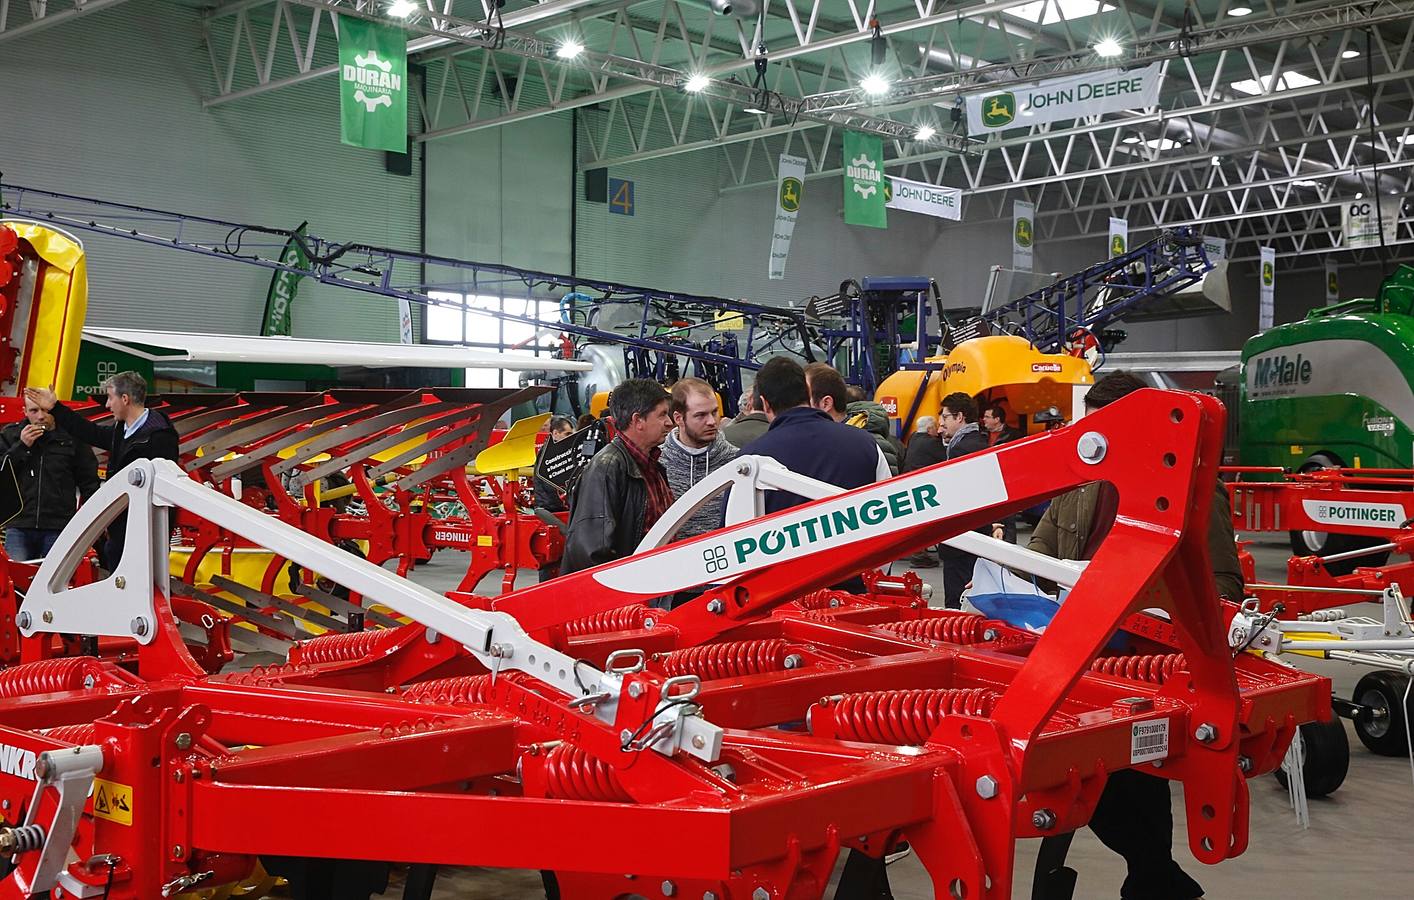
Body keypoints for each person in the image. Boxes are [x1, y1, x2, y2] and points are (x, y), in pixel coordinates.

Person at [1029, 370, 1238, 900]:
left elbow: (1223, 584)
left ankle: (1154, 877)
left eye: (1107, 428)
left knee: (1136, 778)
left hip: (1143, 669)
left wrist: (1149, 609)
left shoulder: (1191, 491)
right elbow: (1040, 551)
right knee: (1091, 778)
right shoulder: (1082, 485)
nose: (1094, 440)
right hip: (1073, 655)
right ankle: (1154, 876)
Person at [26, 372, 179, 569]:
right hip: (120, 531)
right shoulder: (121, 430)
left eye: (110, 397)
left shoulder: (160, 437)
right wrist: (55, 408)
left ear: (125, 399)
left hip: (145, 534)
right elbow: (90, 432)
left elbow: (164, 491)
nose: (107, 405)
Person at [737, 358, 883, 515]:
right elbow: (888, 507)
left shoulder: (749, 459)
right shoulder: (866, 443)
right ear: (807, 391)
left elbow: (734, 529)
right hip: (862, 538)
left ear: (765, 404)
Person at [560, 379, 674, 574]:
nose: (669, 422)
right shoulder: (606, 469)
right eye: (662, 414)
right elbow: (592, 552)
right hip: (628, 593)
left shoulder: (651, 465)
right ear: (638, 420)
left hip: (649, 585)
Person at [0, 397, 100, 560]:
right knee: (18, 581)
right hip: (19, 525)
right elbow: (2, 472)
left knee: (57, 584)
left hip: (59, 527)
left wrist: (91, 523)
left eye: (45, 410)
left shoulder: (72, 438)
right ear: (25, 412)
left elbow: (89, 483)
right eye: (34, 411)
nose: (40, 416)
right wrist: (22, 447)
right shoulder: (10, 435)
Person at [935, 392, 1002, 608]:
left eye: (945, 417)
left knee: (957, 603)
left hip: (962, 540)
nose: (941, 424)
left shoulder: (962, 448)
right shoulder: (976, 442)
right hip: (974, 537)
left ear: (959, 417)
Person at [659, 378, 737, 541]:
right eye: (700, 415)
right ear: (678, 418)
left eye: (714, 412)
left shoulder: (737, 462)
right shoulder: (656, 464)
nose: (711, 422)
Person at [806, 365, 903, 476]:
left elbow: (886, 490)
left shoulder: (871, 445)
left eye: (804, 398)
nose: (799, 404)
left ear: (826, 403)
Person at [533, 416, 577, 515]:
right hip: (550, 508)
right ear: (555, 433)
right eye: (567, 434)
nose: (571, 437)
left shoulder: (561, 453)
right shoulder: (547, 454)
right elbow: (551, 486)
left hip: (558, 507)